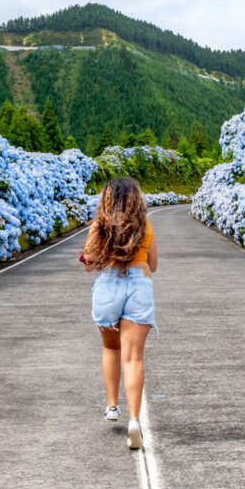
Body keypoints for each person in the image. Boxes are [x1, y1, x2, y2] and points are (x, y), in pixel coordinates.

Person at [80, 177, 158, 450]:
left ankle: (113, 406)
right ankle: (134, 421)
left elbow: (88, 263)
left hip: (108, 285)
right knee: (133, 357)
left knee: (110, 349)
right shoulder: (145, 226)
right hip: (139, 284)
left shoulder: (100, 225)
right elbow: (154, 264)